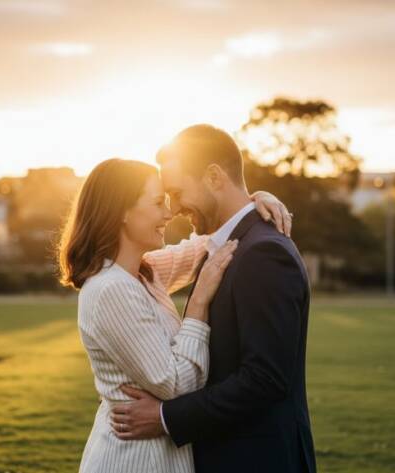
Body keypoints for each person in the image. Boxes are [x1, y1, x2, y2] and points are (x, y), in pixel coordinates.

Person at [58, 157, 292, 473]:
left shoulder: (144, 273)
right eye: (158, 203)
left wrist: (253, 200)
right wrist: (197, 306)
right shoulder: (110, 289)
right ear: (122, 212)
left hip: (160, 455)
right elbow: (176, 386)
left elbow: (209, 242)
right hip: (133, 460)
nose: (169, 213)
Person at [110, 125, 317, 473]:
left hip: (258, 461)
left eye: (176, 192)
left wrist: (165, 417)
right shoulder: (220, 245)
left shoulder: (264, 252)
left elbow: (265, 379)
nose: (173, 208)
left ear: (214, 177)